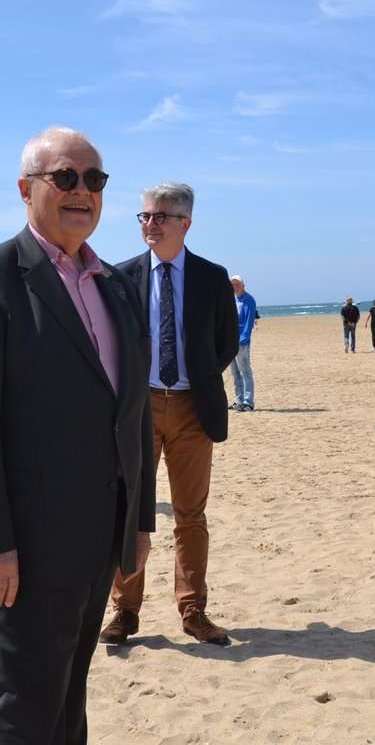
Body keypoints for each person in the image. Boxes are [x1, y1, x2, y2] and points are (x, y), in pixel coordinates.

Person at [0, 125, 156, 744]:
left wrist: (137, 522)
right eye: (65, 177)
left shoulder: (117, 285)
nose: (82, 190)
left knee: (69, 700)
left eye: (95, 179)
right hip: (21, 549)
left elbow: (133, 414)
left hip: (98, 538)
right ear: (26, 188)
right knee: (27, 704)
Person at [99, 182, 239, 648]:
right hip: (136, 410)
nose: (150, 224)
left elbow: (225, 342)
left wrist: (194, 381)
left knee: (190, 515)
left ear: (185, 223)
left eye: (160, 216)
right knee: (127, 510)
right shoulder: (120, 277)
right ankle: (124, 612)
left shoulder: (211, 276)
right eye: (144, 216)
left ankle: (193, 610)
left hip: (191, 410)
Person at [228, 275, 257, 411]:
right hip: (230, 342)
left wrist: (242, 340)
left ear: (243, 285)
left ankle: (248, 402)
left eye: (237, 284)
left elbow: (249, 322)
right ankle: (239, 400)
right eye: (232, 284)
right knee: (235, 374)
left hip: (241, 344)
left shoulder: (248, 300)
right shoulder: (231, 299)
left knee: (245, 372)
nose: (235, 287)